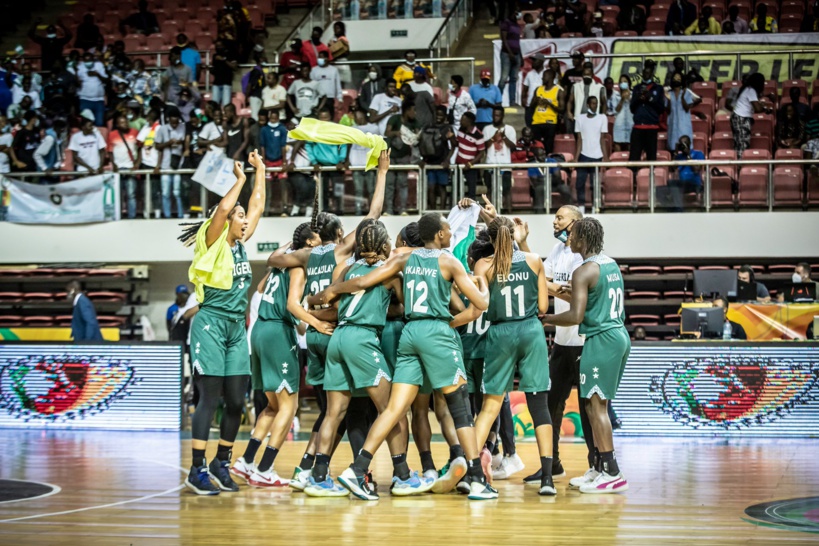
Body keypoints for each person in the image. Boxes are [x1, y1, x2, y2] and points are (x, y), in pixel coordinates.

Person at [311, 212, 497, 501]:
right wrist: (481, 282)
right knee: (458, 407)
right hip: (435, 331)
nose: (450, 234)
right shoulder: (448, 260)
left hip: (409, 334)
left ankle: (358, 469)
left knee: (394, 409)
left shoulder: (401, 259)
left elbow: (362, 283)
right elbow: (480, 304)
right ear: (439, 235)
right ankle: (475, 478)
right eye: (448, 230)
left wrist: (334, 289)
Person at [265, 151, 387, 491]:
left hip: (313, 336)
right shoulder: (338, 253)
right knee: (347, 411)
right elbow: (373, 214)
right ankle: (347, 472)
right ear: (338, 233)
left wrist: (299, 242)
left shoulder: (307, 254)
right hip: (336, 329)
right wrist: (381, 174)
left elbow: (273, 258)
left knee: (330, 411)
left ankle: (310, 469)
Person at [180, 150, 266, 495]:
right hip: (211, 324)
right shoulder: (212, 241)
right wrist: (240, 180)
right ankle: (196, 468)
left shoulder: (240, 245)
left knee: (235, 400)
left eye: (244, 216)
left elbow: (258, 206)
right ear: (228, 219)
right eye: (239, 215)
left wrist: (261, 172)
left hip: (235, 327)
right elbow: (220, 211)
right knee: (210, 398)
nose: (245, 219)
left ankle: (221, 462)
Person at [461, 215, 553, 496]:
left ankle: (473, 472)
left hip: (500, 333)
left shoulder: (482, 265)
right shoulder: (534, 259)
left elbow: (480, 307)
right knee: (539, 406)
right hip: (530, 331)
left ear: (488, 239)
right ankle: (548, 479)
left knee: (488, 407)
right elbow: (542, 306)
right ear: (513, 235)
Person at [230, 224, 327, 487]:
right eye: (318, 239)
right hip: (277, 334)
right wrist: (316, 323)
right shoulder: (297, 267)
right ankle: (265, 468)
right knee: (289, 405)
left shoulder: (277, 266)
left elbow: (262, 290)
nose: (322, 244)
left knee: (272, 406)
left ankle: (246, 462)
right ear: (308, 243)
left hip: (259, 331)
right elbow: (291, 306)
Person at [542, 217, 630, 494]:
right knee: (593, 405)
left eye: (573, 235)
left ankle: (613, 472)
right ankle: (599, 467)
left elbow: (576, 316)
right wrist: (573, 294)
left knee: (597, 405)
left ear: (582, 239)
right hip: (615, 335)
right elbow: (594, 299)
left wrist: (546, 320)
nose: (569, 239)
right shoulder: (609, 264)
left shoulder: (583, 270)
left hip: (601, 338)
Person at [385, 99, 420, 216]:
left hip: (404, 157)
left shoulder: (414, 122)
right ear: (407, 110)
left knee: (402, 183)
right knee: (389, 184)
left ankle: (402, 209)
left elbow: (418, 135)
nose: (415, 113)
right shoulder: (394, 119)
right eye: (414, 110)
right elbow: (387, 132)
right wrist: (397, 133)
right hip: (391, 156)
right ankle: (388, 210)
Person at [573, 96, 607, 213]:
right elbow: (579, 140)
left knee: (595, 184)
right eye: (592, 103)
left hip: (597, 156)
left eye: (596, 103)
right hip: (583, 155)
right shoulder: (580, 118)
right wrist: (576, 158)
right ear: (587, 105)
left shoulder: (602, 118)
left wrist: (605, 157)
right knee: (580, 183)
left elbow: (602, 138)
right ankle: (581, 206)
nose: (595, 105)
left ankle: (594, 207)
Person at [629, 62, 665, 169]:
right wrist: (638, 99)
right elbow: (632, 108)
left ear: (652, 74)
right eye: (644, 73)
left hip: (651, 128)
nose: (646, 75)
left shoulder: (658, 89)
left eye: (648, 73)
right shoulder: (636, 88)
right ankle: (634, 181)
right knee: (634, 158)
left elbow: (660, 109)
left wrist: (650, 98)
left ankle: (650, 181)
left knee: (651, 158)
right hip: (638, 127)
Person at [155, 108, 188, 218]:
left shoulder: (183, 127)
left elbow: (186, 141)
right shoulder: (162, 129)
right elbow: (157, 146)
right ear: (168, 120)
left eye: (176, 122)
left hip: (178, 165)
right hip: (165, 165)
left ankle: (180, 215)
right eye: (172, 122)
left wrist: (181, 143)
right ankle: (167, 215)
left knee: (177, 192)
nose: (174, 125)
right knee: (165, 193)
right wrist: (168, 143)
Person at [482, 106, 515, 212]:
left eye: (498, 115)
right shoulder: (487, 129)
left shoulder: (510, 129)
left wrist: (504, 137)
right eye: (494, 115)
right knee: (490, 190)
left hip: (505, 165)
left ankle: (508, 212)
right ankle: (488, 213)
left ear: (502, 116)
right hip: (490, 164)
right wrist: (493, 138)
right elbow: (484, 147)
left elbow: (513, 147)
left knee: (506, 190)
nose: (495, 117)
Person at [108, 113, 141, 218]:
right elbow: (109, 151)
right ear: (117, 125)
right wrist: (113, 164)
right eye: (122, 122)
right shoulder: (112, 135)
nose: (125, 124)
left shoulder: (135, 133)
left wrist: (137, 163)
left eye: (126, 121)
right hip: (118, 168)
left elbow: (140, 149)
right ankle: (118, 215)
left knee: (131, 195)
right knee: (118, 194)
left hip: (130, 167)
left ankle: (132, 217)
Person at [731, 72, 771, 158]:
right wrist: (765, 109)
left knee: (739, 144)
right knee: (743, 145)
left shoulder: (748, 89)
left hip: (738, 117)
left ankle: (738, 167)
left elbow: (753, 107)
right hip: (741, 119)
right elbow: (757, 109)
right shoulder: (751, 90)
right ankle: (740, 168)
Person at [349, 109, 379, 215]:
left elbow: (377, 145)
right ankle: (358, 211)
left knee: (372, 190)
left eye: (359, 116)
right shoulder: (352, 129)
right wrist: (347, 160)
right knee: (358, 190)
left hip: (370, 164)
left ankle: (373, 211)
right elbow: (348, 145)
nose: (357, 119)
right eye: (356, 117)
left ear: (363, 116)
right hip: (356, 165)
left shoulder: (374, 128)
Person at [664, 135, 704, 211]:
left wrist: (688, 155)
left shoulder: (698, 154)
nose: (683, 146)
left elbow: (696, 169)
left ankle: (677, 209)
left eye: (684, 143)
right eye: (681, 144)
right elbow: (672, 169)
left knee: (674, 186)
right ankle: (677, 208)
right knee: (671, 183)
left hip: (694, 183)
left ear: (689, 143)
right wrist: (675, 152)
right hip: (682, 184)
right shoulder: (679, 156)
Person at [531, 69, 564, 154]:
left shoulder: (558, 91)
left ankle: (548, 163)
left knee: (548, 146)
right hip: (537, 121)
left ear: (551, 77)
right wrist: (535, 100)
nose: (542, 78)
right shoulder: (538, 89)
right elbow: (531, 106)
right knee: (536, 146)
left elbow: (562, 109)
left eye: (544, 76)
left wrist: (549, 104)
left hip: (550, 122)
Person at [455, 112, 485, 200]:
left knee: (471, 191)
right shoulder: (460, 129)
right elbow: (457, 144)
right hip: (459, 165)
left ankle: (471, 211)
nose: (460, 121)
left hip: (471, 167)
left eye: (463, 120)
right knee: (457, 188)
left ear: (469, 122)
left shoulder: (478, 134)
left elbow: (481, 152)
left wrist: (470, 164)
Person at [568, 63, 606, 133]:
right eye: (585, 75)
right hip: (579, 117)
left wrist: (603, 116)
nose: (586, 76)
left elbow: (604, 103)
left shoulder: (600, 87)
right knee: (579, 138)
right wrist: (569, 112)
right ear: (582, 75)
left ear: (592, 75)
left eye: (588, 75)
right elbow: (570, 101)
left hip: (594, 118)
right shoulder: (575, 86)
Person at [666, 72, 699, 152]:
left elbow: (687, 108)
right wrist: (669, 100)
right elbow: (668, 110)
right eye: (675, 78)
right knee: (673, 149)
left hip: (684, 126)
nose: (676, 80)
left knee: (685, 148)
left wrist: (682, 97)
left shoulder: (687, 92)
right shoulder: (669, 93)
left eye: (679, 78)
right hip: (673, 126)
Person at [69, 110, 106, 175]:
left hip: (96, 169)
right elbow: (75, 156)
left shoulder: (97, 135)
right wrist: (88, 167)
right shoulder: (76, 137)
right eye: (90, 126)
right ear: (83, 127)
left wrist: (101, 165)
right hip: (82, 170)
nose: (92, 128)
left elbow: (102, 151)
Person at [76, 52, 108, 126]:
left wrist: (97, 75)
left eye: (90, 60)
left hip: (98, 100)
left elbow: (106, 80)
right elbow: (77, 83)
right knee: (86, 124)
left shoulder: (99, 65)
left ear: (93, 59)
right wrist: (76, 73)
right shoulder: (80, 67)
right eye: (86, 61)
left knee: (99, 123)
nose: (88, 62)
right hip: (85, 99)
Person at [499, 13, 522, 105]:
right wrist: (510, 53)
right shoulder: (506, 23)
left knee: (514, 78)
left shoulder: (517, 25)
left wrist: (521, 56)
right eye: (515, 12)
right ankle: (498, 100)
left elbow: (517, 42)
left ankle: (512, 101)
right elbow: (504, 39)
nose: (516, 14)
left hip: (517, 54)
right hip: (506, 54)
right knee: (504, 78)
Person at [310, 51, 342, 117]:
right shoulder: (314, 70)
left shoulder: (333, 70)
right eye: (318, 57)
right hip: (317, 98)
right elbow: (311, 85)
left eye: (321, 57)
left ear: (327, 58)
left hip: (330, 98)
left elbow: (338, 85)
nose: (319, 59)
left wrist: (340, 98)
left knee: (330, 117)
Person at [211, 41, 238, 107]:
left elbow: (234, 67)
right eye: (216, 46)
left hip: (226, 83)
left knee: (226, 105)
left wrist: (223, 60)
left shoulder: (231, 54)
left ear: (224, 46)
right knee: (214, 105)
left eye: (220, 46)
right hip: (216, 83)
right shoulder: (215, 56)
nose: (218, 47)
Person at [522, 54, 546, 127]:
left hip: (543, 106)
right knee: (530, 126)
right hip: (530, 106)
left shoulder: (547, 73)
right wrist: (523, 100)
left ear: (541, 61)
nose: (533, 62)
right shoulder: (529, 74)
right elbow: (525, 89)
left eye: (535, 60)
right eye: (532, 60)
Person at [328, 21, 351, 87]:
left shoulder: (343, 39)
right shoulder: (332, 39)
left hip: (342, 62)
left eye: (338, 28)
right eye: (334, 28)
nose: (335, 30)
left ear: (342, 29)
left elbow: (346, 52)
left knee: (342, 83)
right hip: (334, 63)